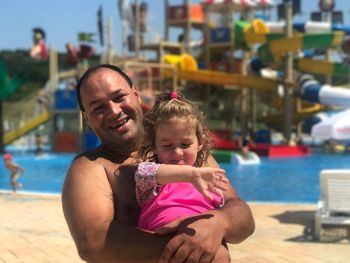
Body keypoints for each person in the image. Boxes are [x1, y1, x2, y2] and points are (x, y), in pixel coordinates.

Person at [62, 64, 255, 263]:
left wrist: (219, 223)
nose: (114, 110)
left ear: (136, 94)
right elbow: (93, 243)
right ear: (86, 117)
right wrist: (193, 248)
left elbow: (243, 216)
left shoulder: (186, 153)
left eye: (119, 97)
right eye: (98, 108)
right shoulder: (89, 168)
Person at [135, 91, 231, 261]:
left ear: (200, 143)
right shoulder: (151, 176)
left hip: (201, 246)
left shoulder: (209, 180)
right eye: (167, 145)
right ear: (155, 147)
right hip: (160, 247)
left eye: (185, 144)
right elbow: (143, 173)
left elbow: (222, 214)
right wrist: (192, 174)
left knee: (221, 255)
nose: (177, 152)